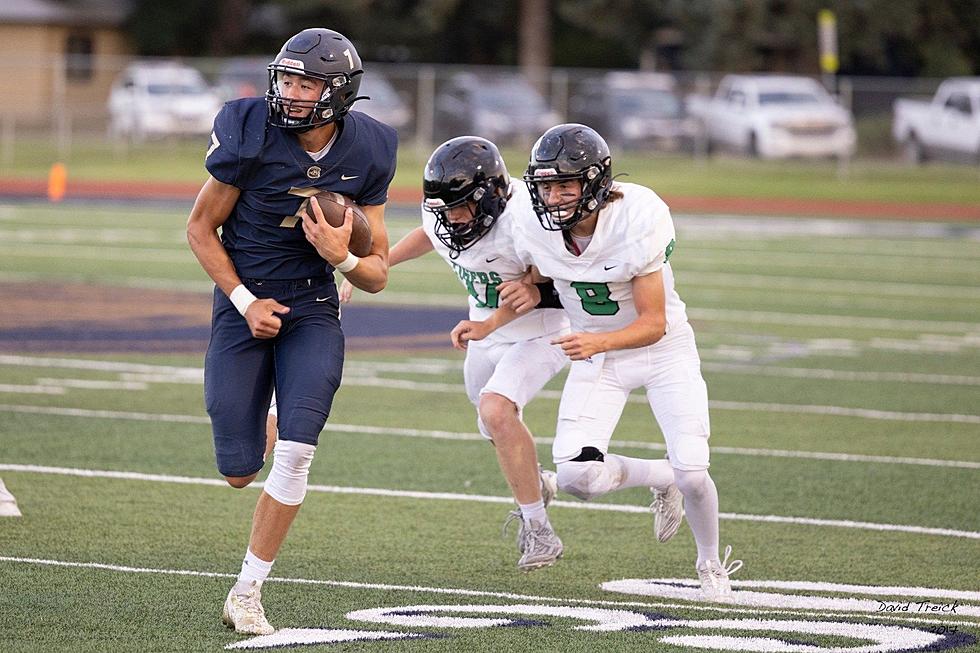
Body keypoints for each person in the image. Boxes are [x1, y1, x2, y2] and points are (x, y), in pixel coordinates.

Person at [451, 124, 740, 602]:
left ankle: (710, 562)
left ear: (596, 183)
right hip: (598, 353)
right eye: (546, 185)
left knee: (694, 470)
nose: (555, 196)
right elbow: (538, 281)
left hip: (659, 352)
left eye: (567, 184)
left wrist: (596, 344)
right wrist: (490, 322)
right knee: (576, 478)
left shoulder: (636, 218)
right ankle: (660, 477)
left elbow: (654, 324)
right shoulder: (533, 225)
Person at [185, 28, 397, 635]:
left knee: (298, 454)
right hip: (243, 302)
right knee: (238, 470)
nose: (292, 92)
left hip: (312, 305)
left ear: (337, 92)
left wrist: (343, 255)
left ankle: (247, 592)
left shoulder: (372, 147)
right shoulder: (249, 129)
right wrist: (245, 301)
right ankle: (273, 413)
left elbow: (378, 271)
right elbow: (200, 229)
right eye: (287, 78)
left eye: (307, 82)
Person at [339, 136, 569, 571]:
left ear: (492, 196)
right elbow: (429, 234)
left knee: (498, 411)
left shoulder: (528, 220)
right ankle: (535, 484)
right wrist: (375, 262)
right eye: (446, 209)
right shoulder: (446, 213)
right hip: (485, 327)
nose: (453, 219)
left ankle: (539, 529)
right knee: (491, 423)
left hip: (540, 331)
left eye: (461, 208)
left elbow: (546, 289)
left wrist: (498, 316)